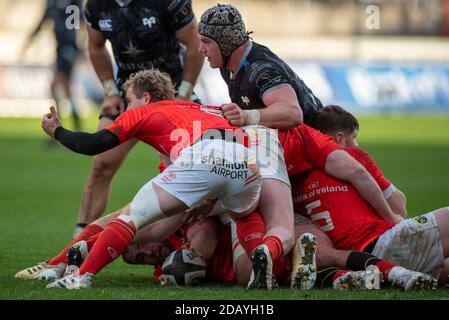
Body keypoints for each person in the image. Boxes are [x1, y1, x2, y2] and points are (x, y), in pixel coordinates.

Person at [38, 69, 261, 289]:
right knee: (243, 222)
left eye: (129, 100)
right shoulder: (202, 108)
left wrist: (58, 131)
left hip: (204, 161)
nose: (126, 108)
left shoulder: (144, 111)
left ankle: (80, 276)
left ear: (145, 98)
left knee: (130, 218)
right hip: (248, 163)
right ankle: (267, 256)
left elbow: (95, 143)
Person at [197, 3, 323, 290]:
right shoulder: (230, 68)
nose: (201, 49)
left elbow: (293, 113)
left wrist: (247, 117)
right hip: (283, 154)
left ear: (225, 41)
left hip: (312, 156)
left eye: (206, 42)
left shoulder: (260, 69)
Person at [73, 0, 204, 237]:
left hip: (172, 94)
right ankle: (79, 242)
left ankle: (194, 245)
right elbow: (96, 46)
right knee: (101, 165)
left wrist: (184, 92)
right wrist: (110, 91)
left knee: (193, 169)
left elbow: (195, 42)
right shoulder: (96, 5)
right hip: (128, 97)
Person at [292, 105, 448, 286]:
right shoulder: (352, 156)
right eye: (354, 138)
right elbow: (400, 208)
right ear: (339, 138)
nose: (356, 144)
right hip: (383, 242)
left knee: (441, 267)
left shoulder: (295, 182)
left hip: (356, 261)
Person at [22, 0, 83, 134]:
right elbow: (44, 21)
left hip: (68, 48)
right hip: (60, 49)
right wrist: (29, 41)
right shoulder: (52, 2)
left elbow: (79, 24)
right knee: (65, 89)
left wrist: (79, 48)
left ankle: (59, 129)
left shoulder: (71, 2)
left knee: (55, 86)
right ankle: (75, 127)